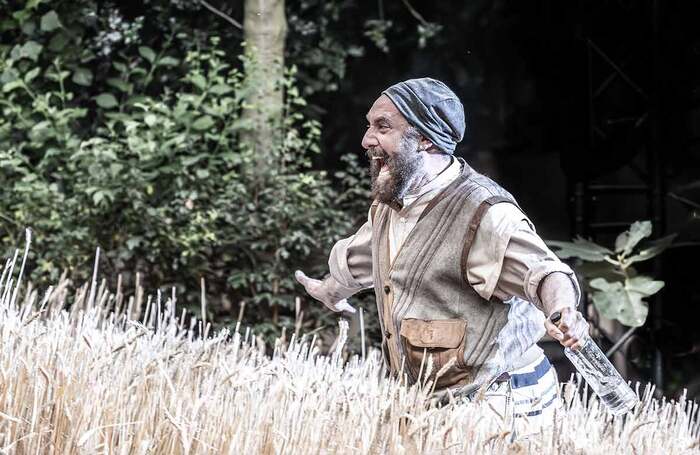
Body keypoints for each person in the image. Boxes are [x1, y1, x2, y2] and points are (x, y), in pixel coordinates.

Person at [295, 77, 589, 434]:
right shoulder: (393, 205)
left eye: (382, 126)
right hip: (432, 405)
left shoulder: (483, 212)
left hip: (499, 405)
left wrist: (563, 312)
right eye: (368, 126)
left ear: (425, 138)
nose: (366, 139)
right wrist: (329, 291)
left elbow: (545, 273)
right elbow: (365, 260)